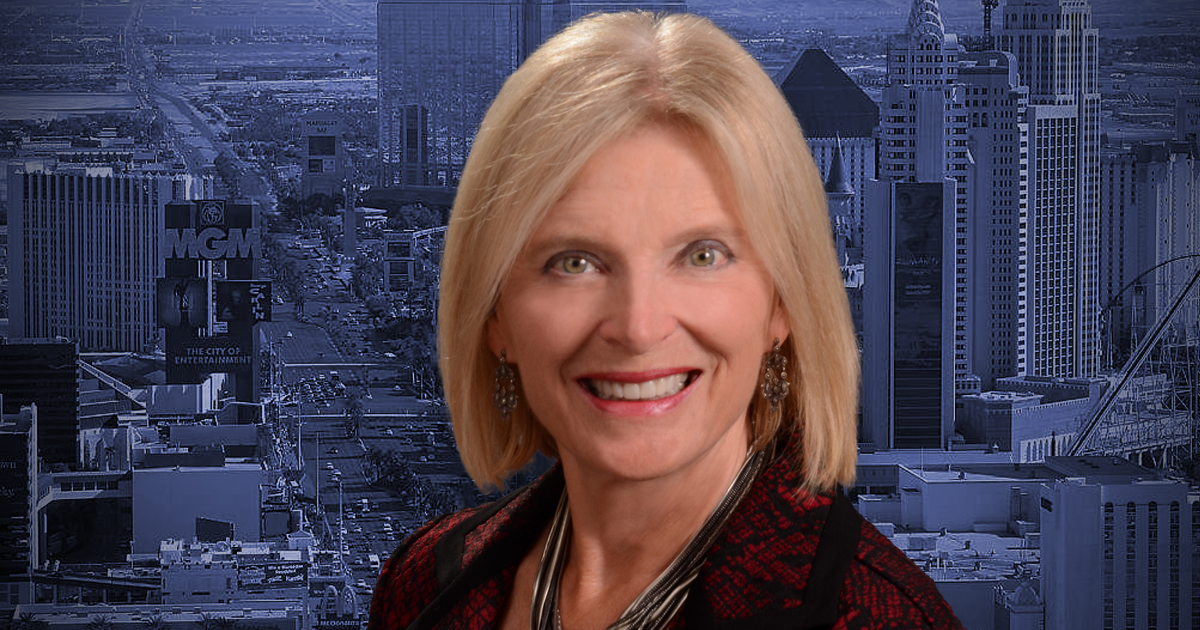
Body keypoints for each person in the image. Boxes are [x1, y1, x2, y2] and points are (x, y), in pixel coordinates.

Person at [369, 11, 964, 630]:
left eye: (702, 256)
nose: (637, 325)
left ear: (781, 306)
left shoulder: (878, 618)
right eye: (575, 261)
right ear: (496, 316)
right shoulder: (424, 588)